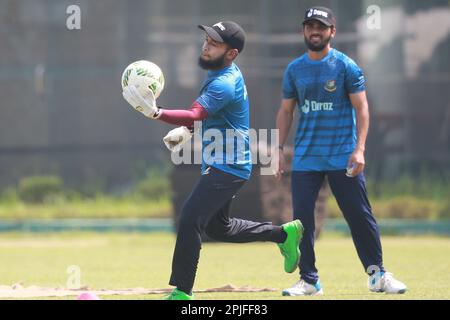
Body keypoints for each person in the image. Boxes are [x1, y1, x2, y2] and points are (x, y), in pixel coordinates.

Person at [122, 21, 303, 300]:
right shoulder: (219, 73)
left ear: (231, 53)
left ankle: (182, 292)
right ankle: (283, 235)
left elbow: (196, 113)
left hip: (228, 166)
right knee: (220, 227)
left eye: (215, 42)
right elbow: (208, 116)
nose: (206, 44)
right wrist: (185, 131)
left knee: (189, 219)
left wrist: (157, 113)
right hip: (222, 162)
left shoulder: (224, 83)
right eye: (206, 39)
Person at [275, 7, 407, 296]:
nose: (315, 31)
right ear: (303, 31)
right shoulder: (294, 69)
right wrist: (279, 149)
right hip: (306, 159)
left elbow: (362, 108)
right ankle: (309, 280)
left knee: (359, 215)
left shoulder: (346, 66)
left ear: (332, 32)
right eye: (310, 26)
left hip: (343, 157)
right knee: (301, 223)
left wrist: (359, 150)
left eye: (321, 27)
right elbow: (286, 111)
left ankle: (377, 274)